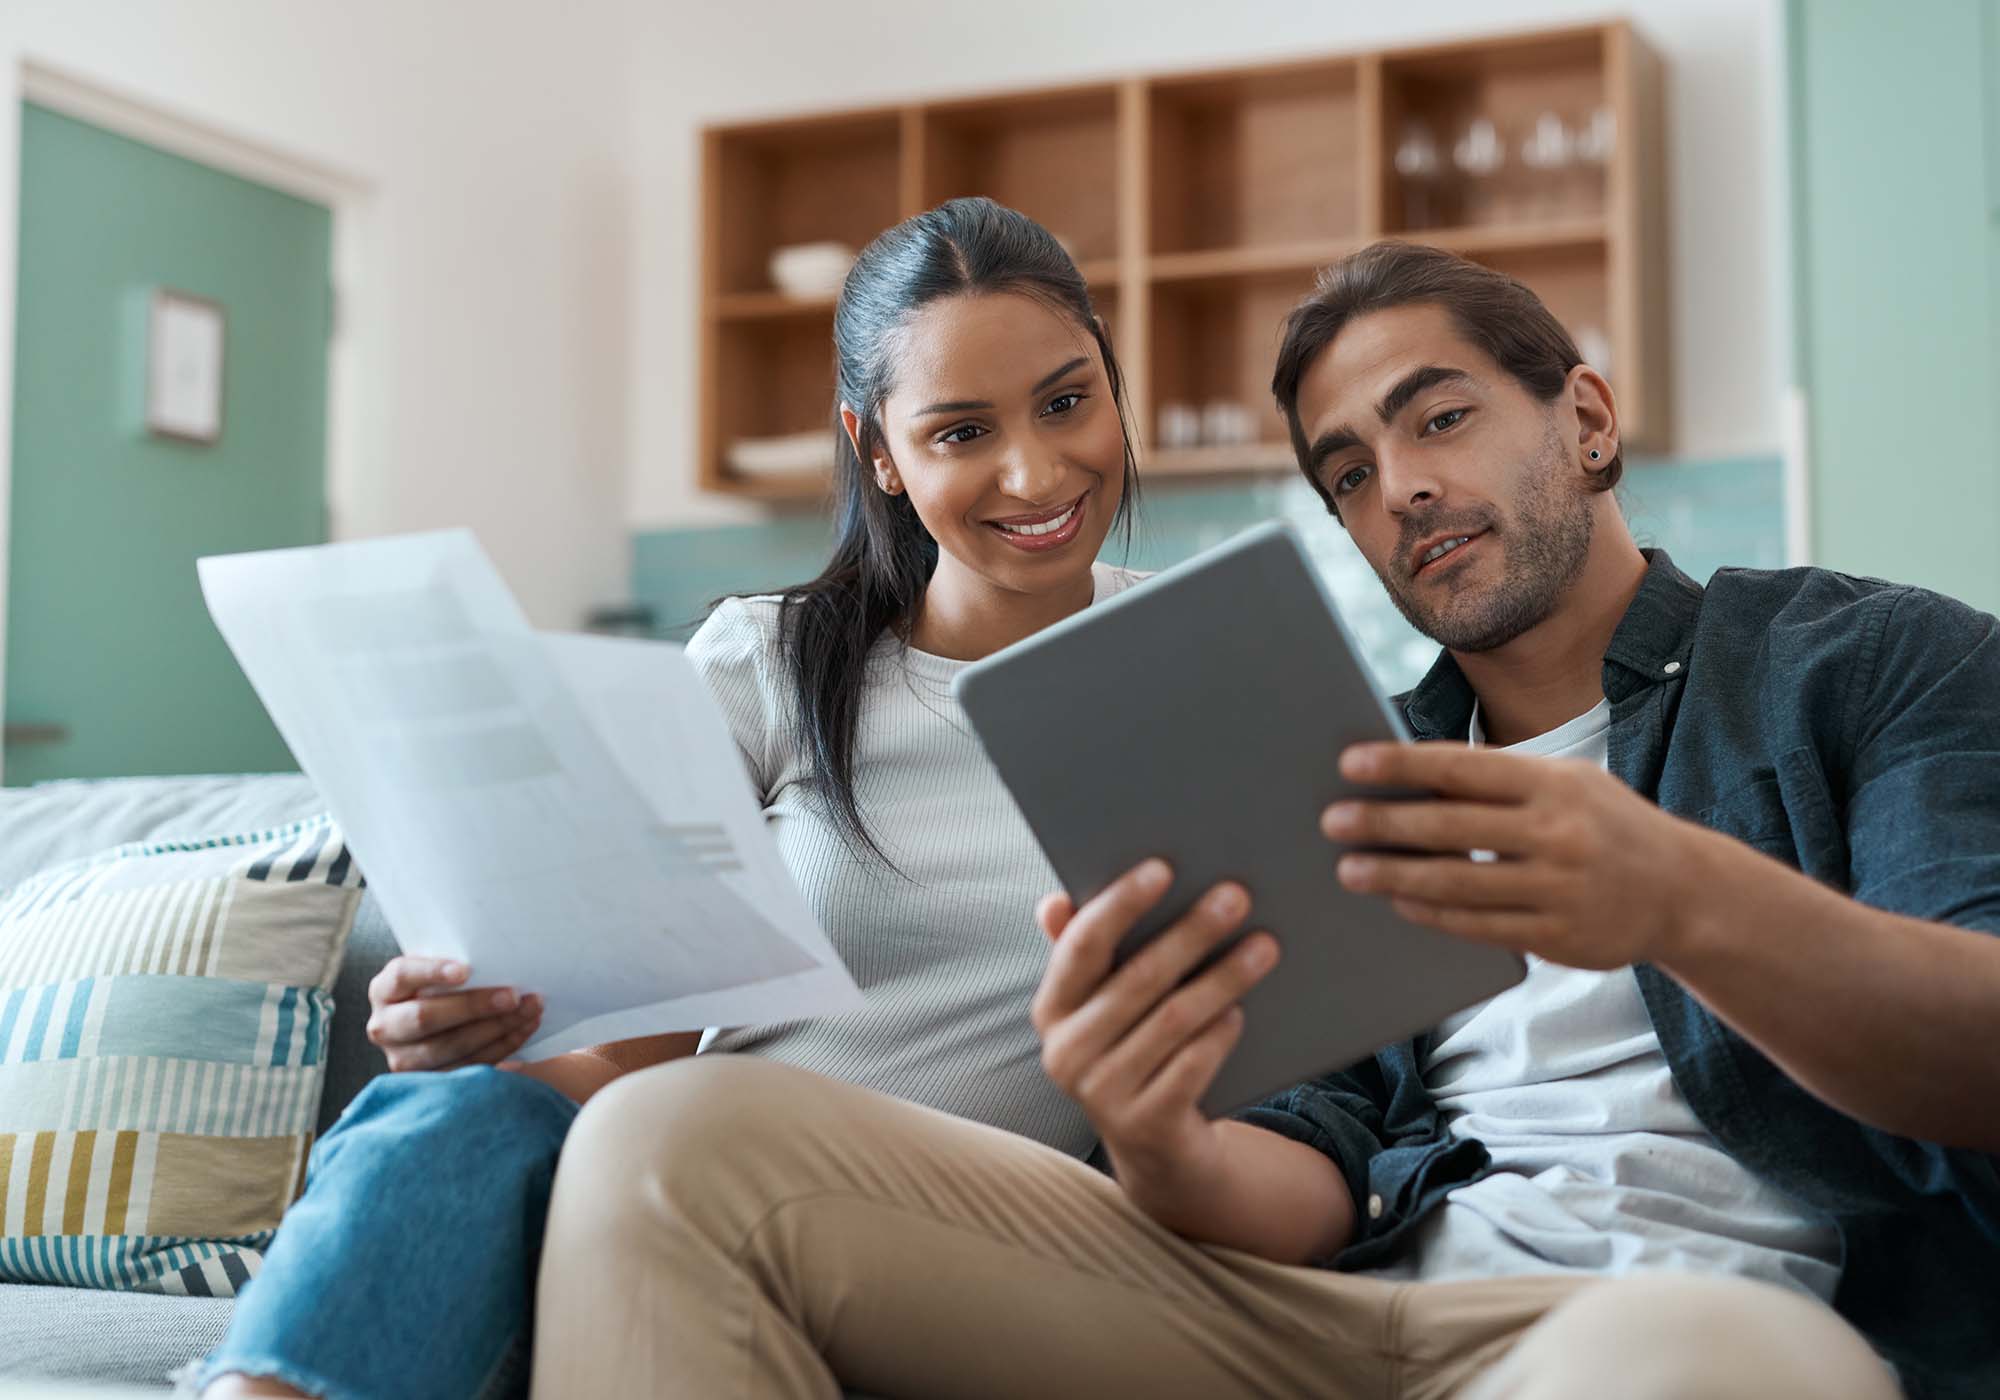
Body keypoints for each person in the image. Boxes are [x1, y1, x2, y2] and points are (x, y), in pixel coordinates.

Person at [528, 241, 2000, 1400]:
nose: (1407, 484)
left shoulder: (1863, 666)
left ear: (1588, 417)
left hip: (1650, 1334)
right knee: (673, 1137)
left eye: (1442, 418)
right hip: (1320, 1322)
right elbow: (1305, 1166)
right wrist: (1156, 1133)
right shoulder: (1346, 760)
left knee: (1704, 1374)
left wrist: (1680, 898)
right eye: (1348, 472)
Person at [192, 196, 1147, 1400]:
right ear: (880, 452)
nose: (1034, 468)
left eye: (1066, 399)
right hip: (675, 1188)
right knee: (459, 1116)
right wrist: (481, 1042)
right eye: (960, 431)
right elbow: (621, 1071)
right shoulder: (770, 663)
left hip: (955, 1252)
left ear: (1111, 384)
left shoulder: (1199, 654)